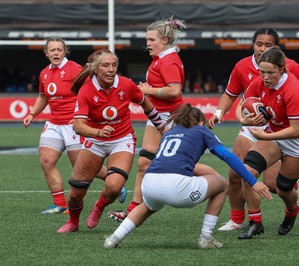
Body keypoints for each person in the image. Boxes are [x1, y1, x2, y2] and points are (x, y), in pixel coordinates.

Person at [104, 104, 272, 249]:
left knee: (147, 206)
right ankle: (206, 237)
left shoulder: (170, 133)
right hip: (178, 188)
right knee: (222, 185)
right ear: (200, 122)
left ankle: (114, 238)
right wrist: (253, 181)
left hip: (149, 183)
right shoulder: (201, 130)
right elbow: (227, 157)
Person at [107, 17, 218, 223]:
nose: (147, 43)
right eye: (147, 39)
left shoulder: (168, 60)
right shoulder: (161, 58)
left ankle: (221, 183)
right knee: (144, 164)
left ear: (165, 40)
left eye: (151, 39)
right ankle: (133, 210)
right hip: (158, 116)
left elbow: (174, 90)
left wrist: (147, 90)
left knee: (183, 165)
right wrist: (148, 89)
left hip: (174, 118)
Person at [207, 28, 299, 231]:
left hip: (288, 132)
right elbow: (235, 97)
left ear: (277, 50)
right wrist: (235, 118)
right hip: (258, 125)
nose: (262, 48)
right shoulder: (244, 67)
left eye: (268, 45)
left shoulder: (292, 72)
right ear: (253, 44)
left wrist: (295, 113)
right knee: (239, 172)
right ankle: (242, 221)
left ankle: (291, 198)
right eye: (259, 44)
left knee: (277, 186)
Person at [57, 49, 165, 233]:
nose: (111, 70)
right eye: (105, 65)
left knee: (114, 187)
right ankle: (73, 222)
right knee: (75, 194)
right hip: (96, 141)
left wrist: (162, 127)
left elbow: (145, 104)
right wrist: (98, 132)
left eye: (114, 65)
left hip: (122, 140)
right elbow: (78, 126)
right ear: (96, 69)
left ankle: (99, 207)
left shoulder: (126, 84)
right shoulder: (86, 90)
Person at [22, 38, 126, 215]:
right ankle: (60, 204)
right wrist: (32, 113)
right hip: (54, 123)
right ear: (46, 53)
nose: (56, 53)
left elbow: (93, 88)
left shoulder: (75, 69)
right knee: (46, 161)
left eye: (59, 49)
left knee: (81, 167)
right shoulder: (44, 74)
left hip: (74, 124)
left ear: (65, 52)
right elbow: (43, 97)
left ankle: (114, 180)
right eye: (52, 50)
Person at [237, 46, 299, 239]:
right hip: (274, 135)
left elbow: (295, 130)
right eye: (262, 72)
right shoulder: (260, 82)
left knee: (282, 188)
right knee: (246, 172)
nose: (265, 76)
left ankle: (291, 211)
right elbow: (241, 104)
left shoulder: (293, 89)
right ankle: (255, 222)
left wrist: (264, 136)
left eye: (270, 72)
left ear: (282, 69)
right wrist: (243, 120)